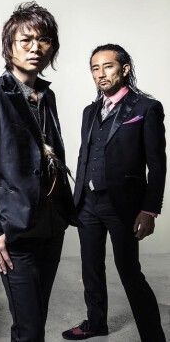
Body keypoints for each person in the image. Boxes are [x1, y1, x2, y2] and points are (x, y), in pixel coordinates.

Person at [0, 2, 79, 341]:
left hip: (51, 226)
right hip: (13, 231)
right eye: (25, 40)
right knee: (29, 328)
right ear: (9, 47)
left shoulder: (47, 95)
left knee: (36, 320)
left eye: (43, 40)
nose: (35, 48)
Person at [62, 44, 166, 341]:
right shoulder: (90, 111)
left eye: (107, 66)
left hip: (124, 204)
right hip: (87, 203)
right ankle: (96, 323)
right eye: (95, 68)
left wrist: (149, 210)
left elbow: (157, 164)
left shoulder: (146, 108)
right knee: (91, 268)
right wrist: (76, 197)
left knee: (129, 271)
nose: (100, 74)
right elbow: (86, 154)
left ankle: (153, 336)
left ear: (124, 69)